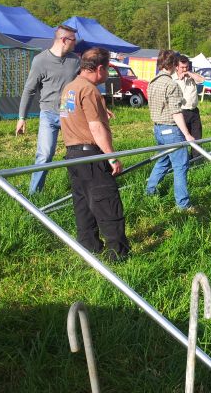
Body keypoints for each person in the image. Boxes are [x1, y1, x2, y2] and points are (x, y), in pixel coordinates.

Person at [59, 47, 130, 262]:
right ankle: (117, 253)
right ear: (100, 68)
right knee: (106, 201)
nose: (107, 74)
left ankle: (89, 246)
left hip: (73, 154)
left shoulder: (70, 87)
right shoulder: (89, 90)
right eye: (108, 69)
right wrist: (111, 157)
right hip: (91, 155)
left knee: (83, 203)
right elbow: (95, 127)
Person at [16, 25, 80, 195]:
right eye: (74, 40)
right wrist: (22, 117)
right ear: (64, 40)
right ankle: (34, 196)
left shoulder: (76, 61)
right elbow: (29, 90)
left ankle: (80, 191)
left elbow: (85, 86)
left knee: (78, 155)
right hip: (48, 114)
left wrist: (100, 105)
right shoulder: (40, 60)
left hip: (70, 114)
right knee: (44, 156)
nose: (76, 44)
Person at [145, 50, 195, 210]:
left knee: (163, 160)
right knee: (181, 165)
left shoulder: (152, 81)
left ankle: (150, 191)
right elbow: (175, 112)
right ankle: (183, 204)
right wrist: (187, 134)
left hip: (157, 128)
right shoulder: (171, 84)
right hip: (171, 130)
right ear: (173, 65)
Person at [174, 55, 204, 160]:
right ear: (176, 67)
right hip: (181, 112)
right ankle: (183, 160)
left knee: (197, 137)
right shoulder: (173, 79)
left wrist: (189, 73)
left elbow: (202, 80)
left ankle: (197, 160)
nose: (184, 69)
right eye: (182, 67)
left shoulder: (192, 76)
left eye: (186, 67)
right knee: (182, 137)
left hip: (194, 111)